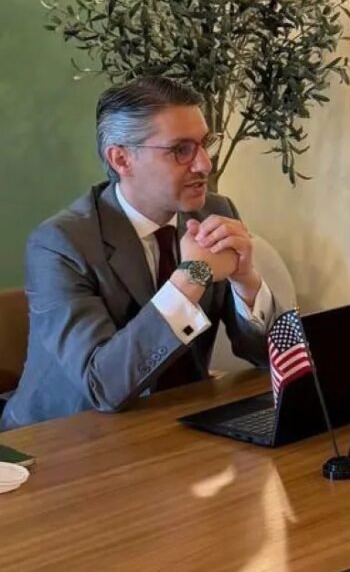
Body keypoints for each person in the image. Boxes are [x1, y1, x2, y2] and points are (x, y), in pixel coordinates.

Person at [3, 76, 276, 428]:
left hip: (172, 426)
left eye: (204, 144)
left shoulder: (213, 213)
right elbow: (102, 386)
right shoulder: (60, 243)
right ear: (121, 159)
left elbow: (275, 360)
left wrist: (246, 281)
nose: (204, 164)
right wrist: (192, 276)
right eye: (181, 150)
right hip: (63, 442)